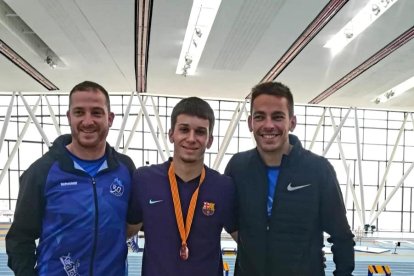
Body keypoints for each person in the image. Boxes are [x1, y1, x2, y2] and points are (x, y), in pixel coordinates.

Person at [6, 81, 136, 276]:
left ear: (110, 118)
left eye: (97, 113)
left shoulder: (125, 169)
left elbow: (134, 222)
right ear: (69, 117)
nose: (87, 121)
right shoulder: (42, 171)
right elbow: (19, 238)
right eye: (79, 112)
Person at [225, 82, 355, 276]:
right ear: (250, 123)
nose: (268, 125)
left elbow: (341, 235)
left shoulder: (318, 169)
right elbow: (229, 217)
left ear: (292, 122)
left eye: (278, 117)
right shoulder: (238, 166)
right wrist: (253, 246)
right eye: (260, 117)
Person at [127, 97, 237, 276]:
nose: (191, 138)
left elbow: (247, 243)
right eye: (184, 129)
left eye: (200, 132)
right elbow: (122, 232)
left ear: (210, 140)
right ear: (171, 134)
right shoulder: (144, 180)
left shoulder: (223, 187)